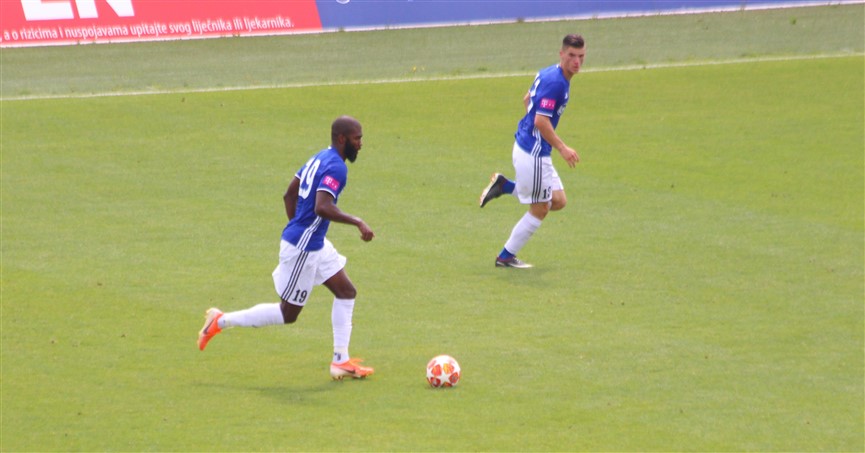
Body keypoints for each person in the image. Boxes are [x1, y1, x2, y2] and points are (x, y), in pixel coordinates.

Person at [198, 115, 376, 380]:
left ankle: (340, 361)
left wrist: (300, 226)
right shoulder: (337, 168)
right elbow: (322, 207)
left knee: (346, 291)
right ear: (342, 139)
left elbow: (289, 194)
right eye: (357, 138)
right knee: (287, 313)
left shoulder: (319, 157)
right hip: (304, 248)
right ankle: (220, 321)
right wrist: (357, 222)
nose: (360, 144)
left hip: (313, 242)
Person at [479, 34, 586, 268]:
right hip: (534, 153)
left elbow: (527, 99)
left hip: (529, 146)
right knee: (541, 208)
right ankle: (505, 257)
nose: (577, 61)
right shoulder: (557, 84)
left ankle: (505, 186)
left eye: (581, 56)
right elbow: (540, 121)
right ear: (562, 54)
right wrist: (562, 148)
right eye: (571, 55)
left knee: (558, 200)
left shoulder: (549, 73)